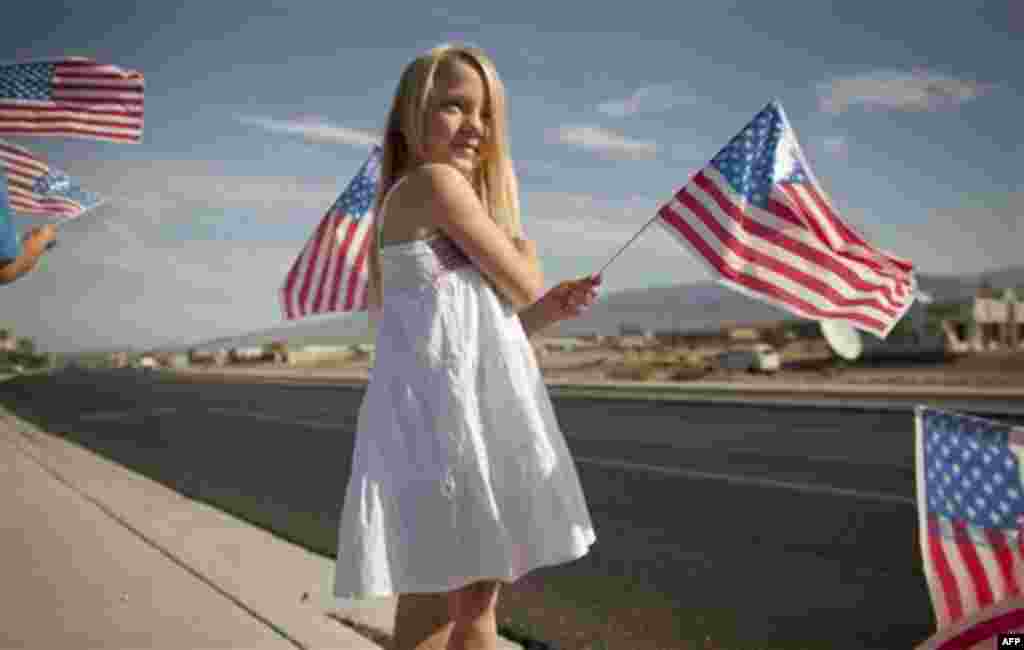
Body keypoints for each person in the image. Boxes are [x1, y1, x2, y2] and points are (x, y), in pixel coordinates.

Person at [332, 43, 601, 650]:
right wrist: (526, 256)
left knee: (429, 607)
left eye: (485, 114)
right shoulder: (435, 184)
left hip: (429, 422)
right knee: (477, 610)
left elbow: (472, 334)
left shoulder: (422, 198)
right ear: (412, 114)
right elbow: (525, 278)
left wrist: (542, 313)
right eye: (454, 106)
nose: (475, 125)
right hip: (454, 430)